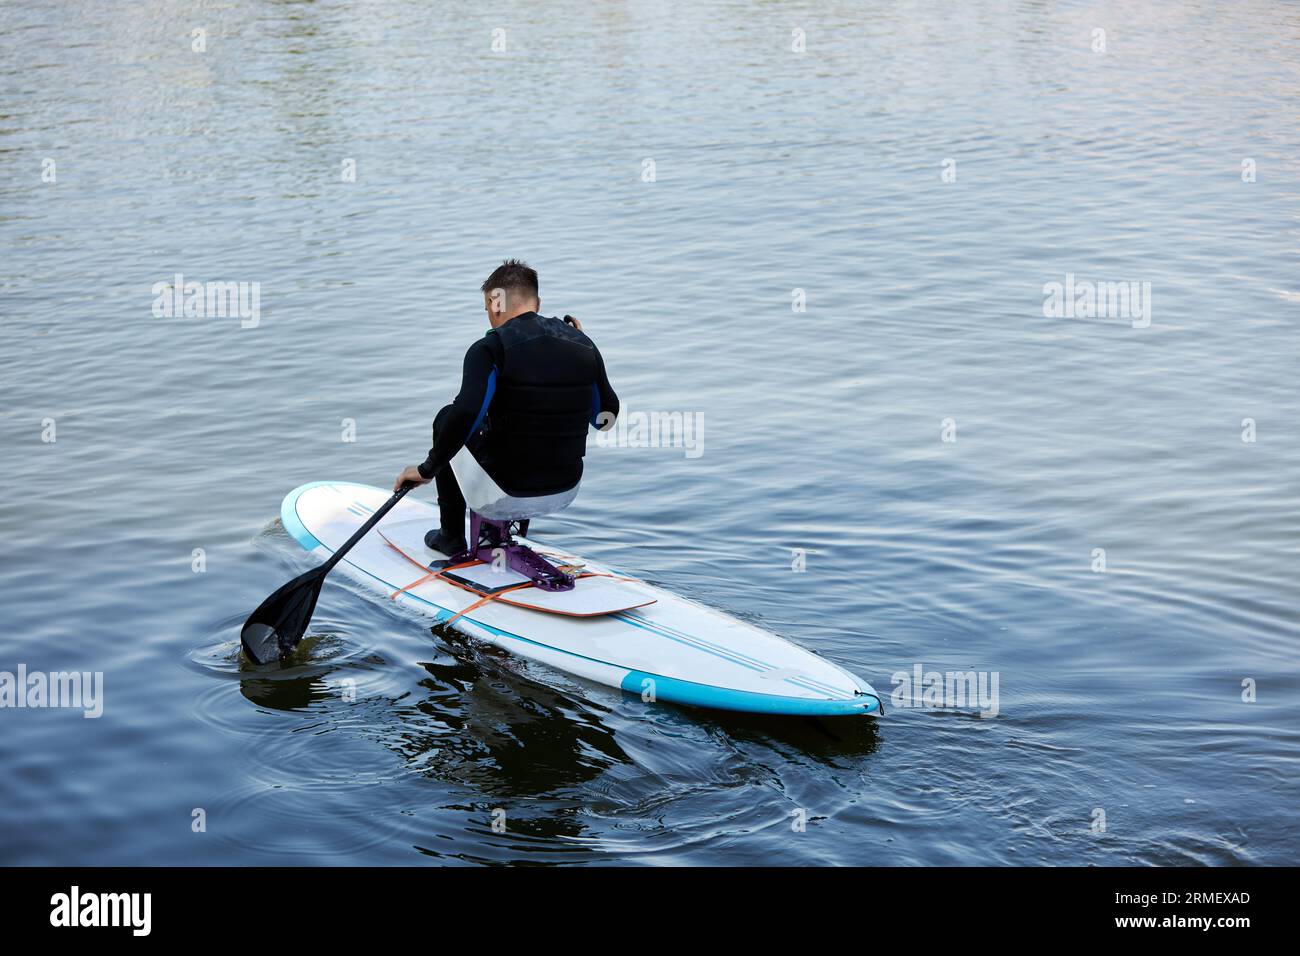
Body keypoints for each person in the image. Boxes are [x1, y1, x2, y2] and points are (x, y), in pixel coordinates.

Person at [392, 260, 619, 555]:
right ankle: (498, 533)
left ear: (494, 303)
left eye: (487, 308)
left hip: (507, 490)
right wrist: (584, 348)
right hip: (566, 489)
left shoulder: (489, 348)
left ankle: (451, 538)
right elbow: (606, 419)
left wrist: (426, 470)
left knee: (448, 417)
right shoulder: (584, 344)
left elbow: (466, 416)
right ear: (537, 303)